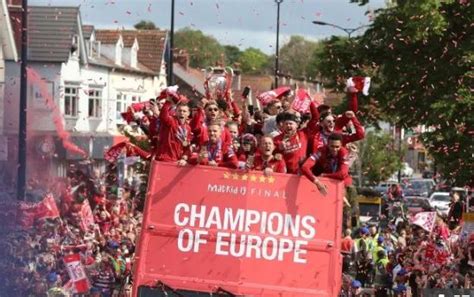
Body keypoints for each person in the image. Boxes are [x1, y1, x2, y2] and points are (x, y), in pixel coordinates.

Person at [155, 99, 193, 163]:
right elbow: (163, 116)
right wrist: (168, 102)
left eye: (184, 111)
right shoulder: (171, 120)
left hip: (177, 160)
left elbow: (186, 145)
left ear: (188, 113)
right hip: (165, 158)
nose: (182, 113)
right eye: (179, 110)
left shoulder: (188, 128)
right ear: (175, 111)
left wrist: (185, 157)